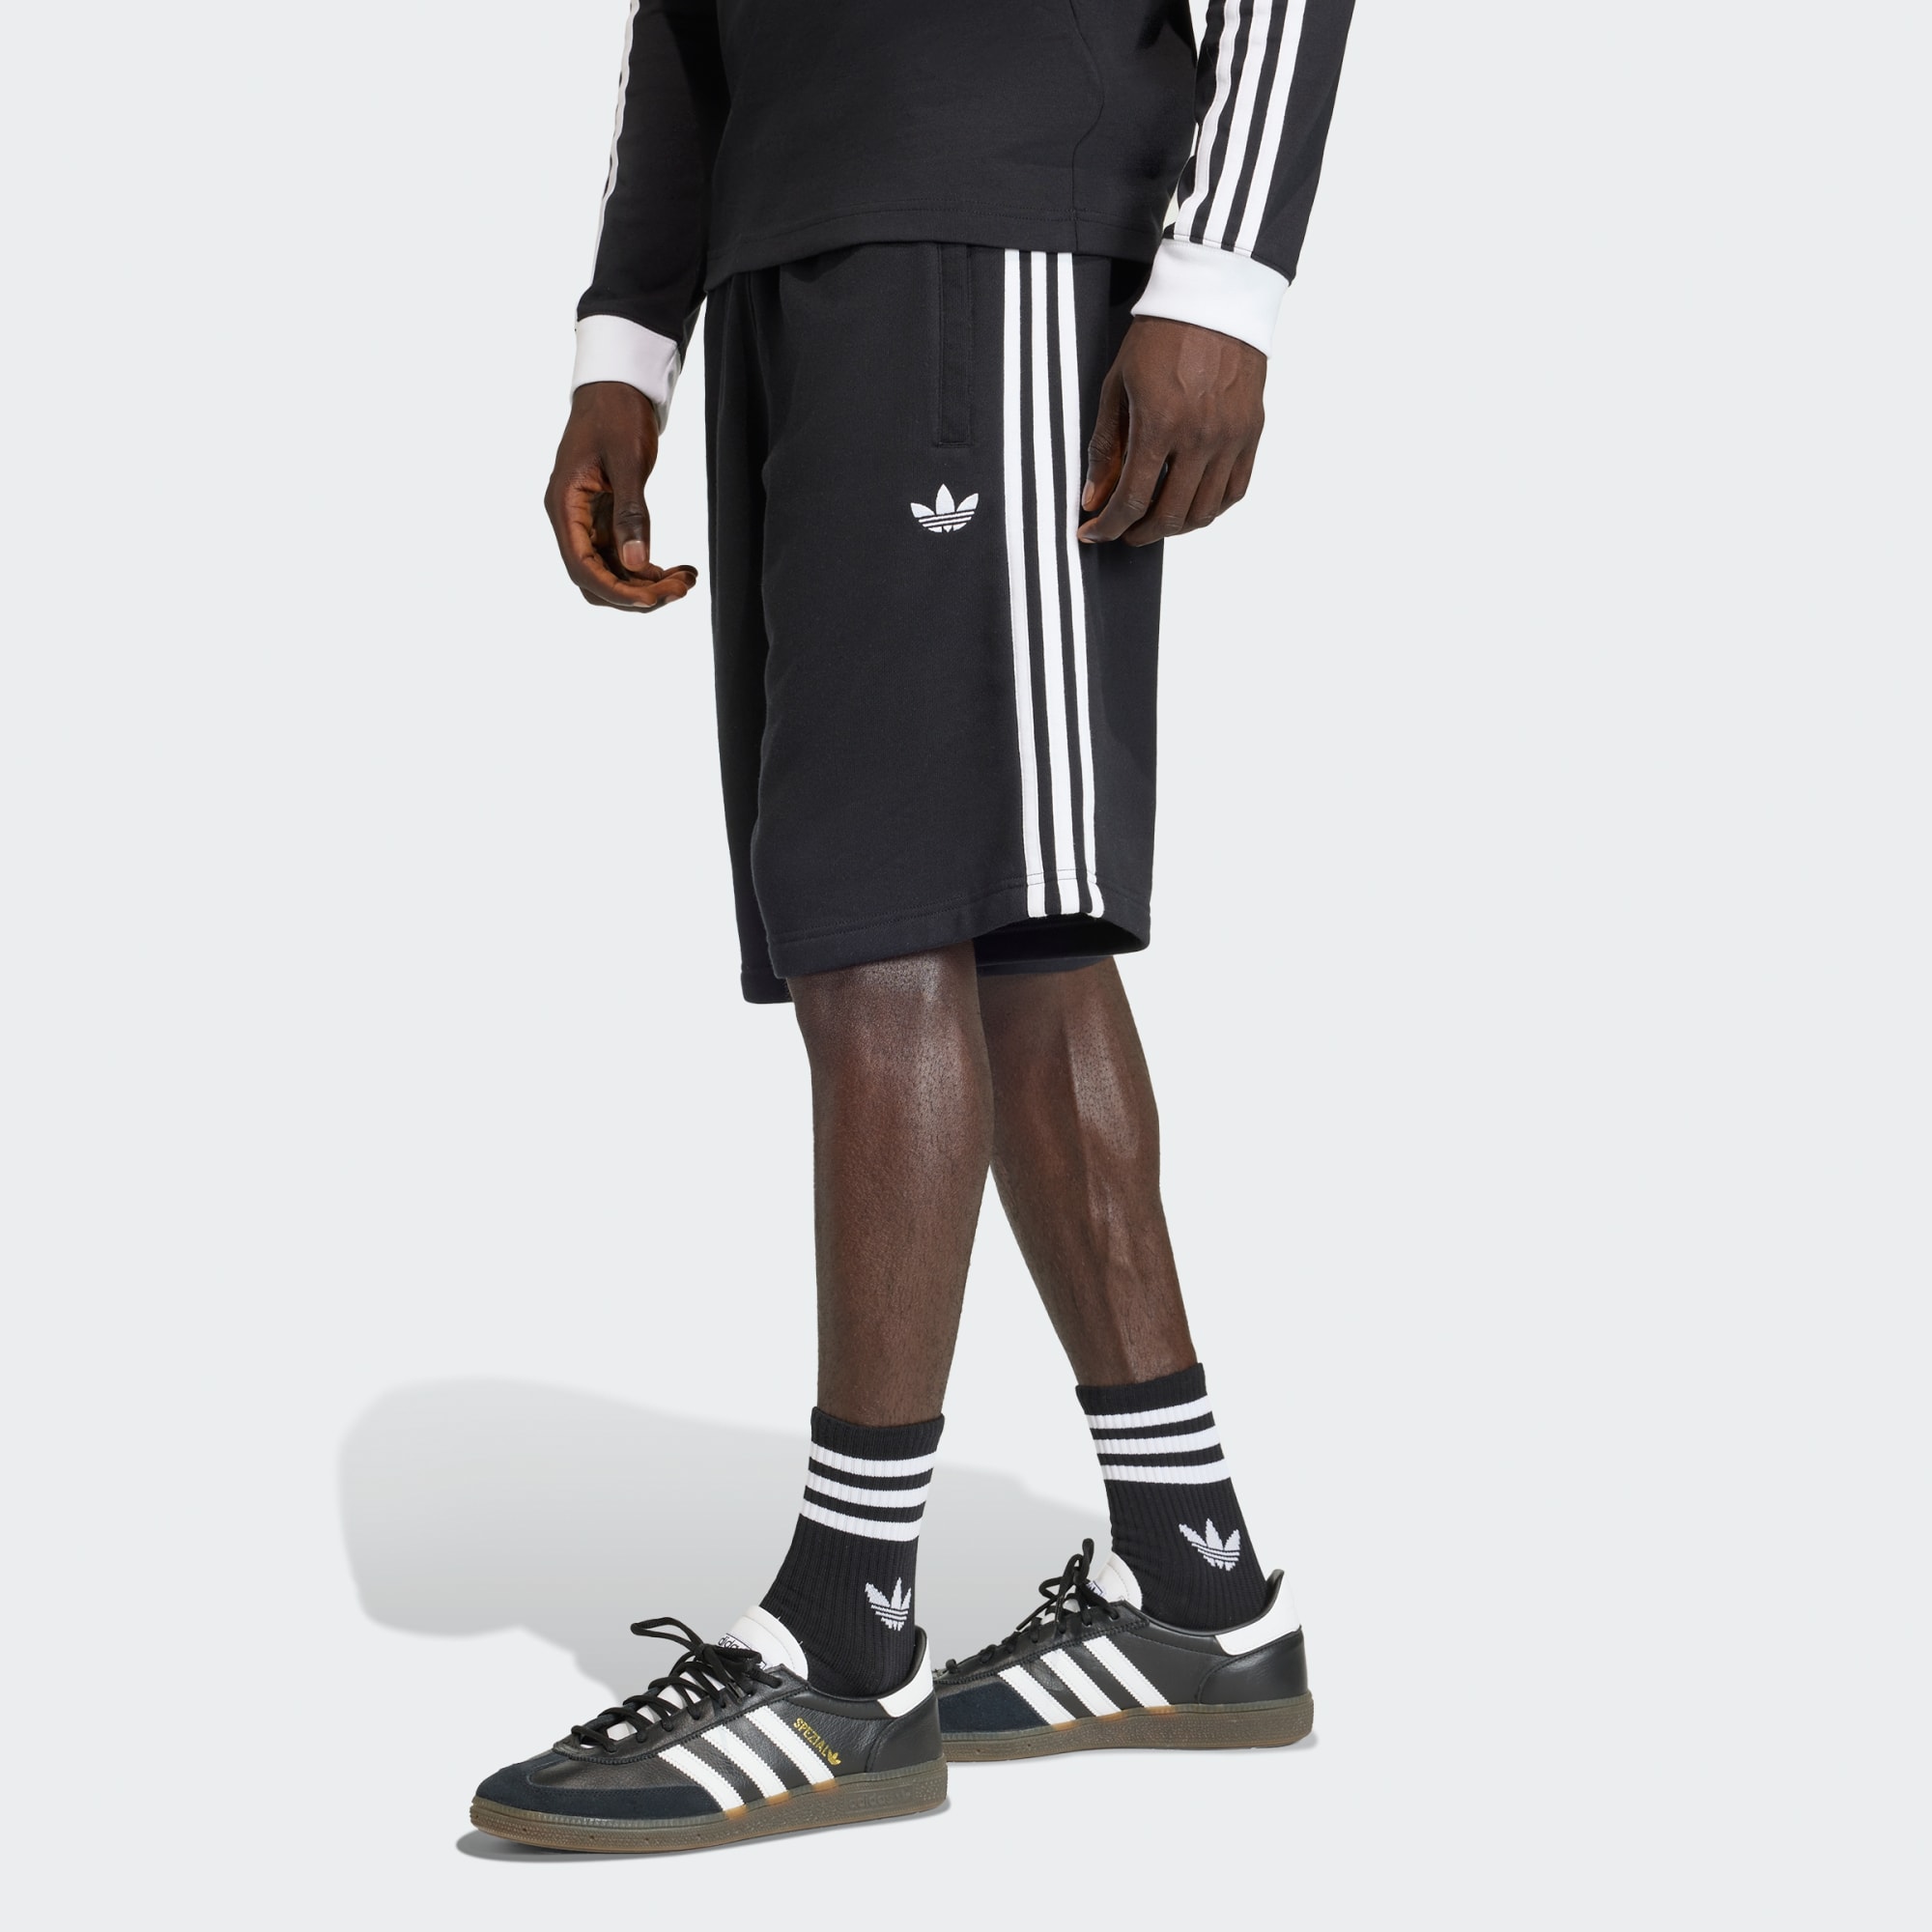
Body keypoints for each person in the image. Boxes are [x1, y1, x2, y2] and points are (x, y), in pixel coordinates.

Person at [470, 0, 1354, 1853]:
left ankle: (849, 1636)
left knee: (889, 917)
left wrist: (1224, 275)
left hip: (986, 227)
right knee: (993, 924)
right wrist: (628, 342)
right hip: (794, 256)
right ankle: (1196, 1585)